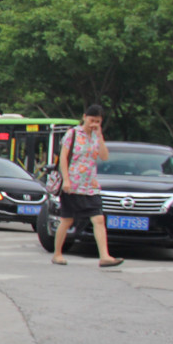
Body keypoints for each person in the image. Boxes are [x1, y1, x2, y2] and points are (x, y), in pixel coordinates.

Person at [52, 104, 123, 267]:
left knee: (98, 219)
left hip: (90, 185)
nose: (94, 124)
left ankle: (104, 256)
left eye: (97, 121)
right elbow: (63, 157)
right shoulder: (73, 134)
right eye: (92, 120)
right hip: (72, 184)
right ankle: (57, 253)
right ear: (84, 117)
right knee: (67, 220)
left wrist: (100, 135)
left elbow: (104, 157)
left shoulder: (95, 137)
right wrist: (66, 180)